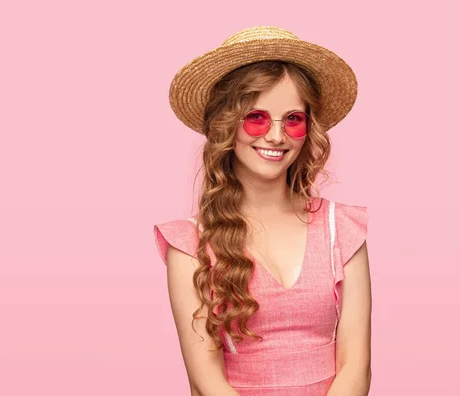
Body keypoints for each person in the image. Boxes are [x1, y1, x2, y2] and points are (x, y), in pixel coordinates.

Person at [153, 26, 371, 396]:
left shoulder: (342, 229)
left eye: (292, 119)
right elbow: (207, 382)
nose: (275, 135)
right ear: (225, 125)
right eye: (256, 116)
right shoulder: (190, 244)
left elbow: (357, 366)